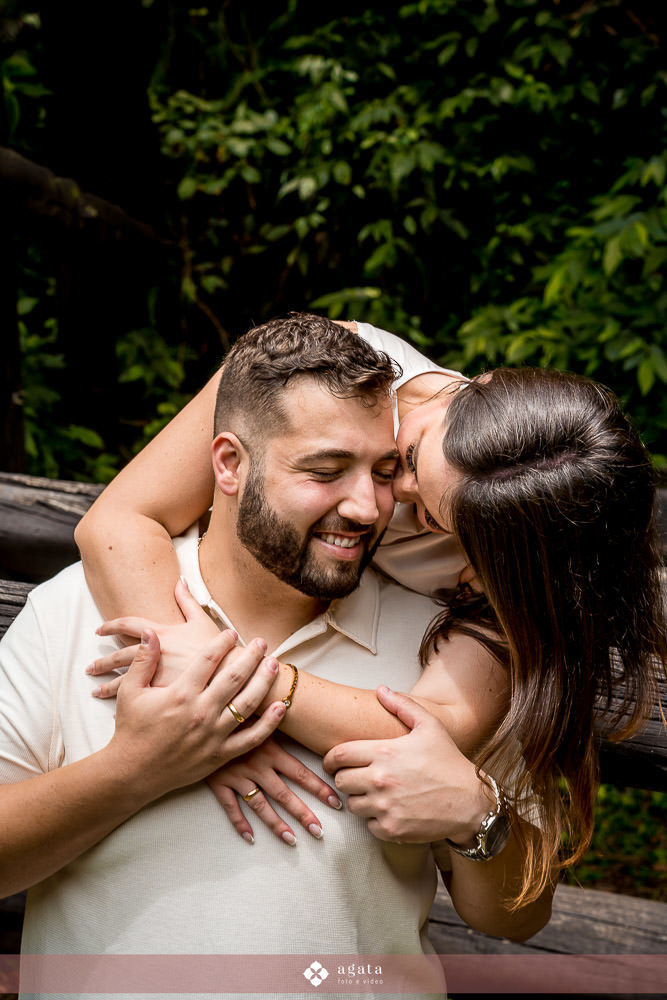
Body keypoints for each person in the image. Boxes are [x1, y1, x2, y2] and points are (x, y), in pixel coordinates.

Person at [0, 317, 548, 1000]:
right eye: (323, 470)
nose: (369, 506)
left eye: (386, 471)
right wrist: (139, 769)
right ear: (227, 463)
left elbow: (518, 916)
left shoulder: (439, 644)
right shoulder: (80, 608)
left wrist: (480, 818)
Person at [77, 314, 665, 913]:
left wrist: (236, 687)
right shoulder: (330, 364)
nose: (391, 497)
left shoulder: (507, 559)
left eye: (433, 517)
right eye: (407, 456)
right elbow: (116, 522)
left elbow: (429, 725)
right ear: (479, 382)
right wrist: (206, 715)